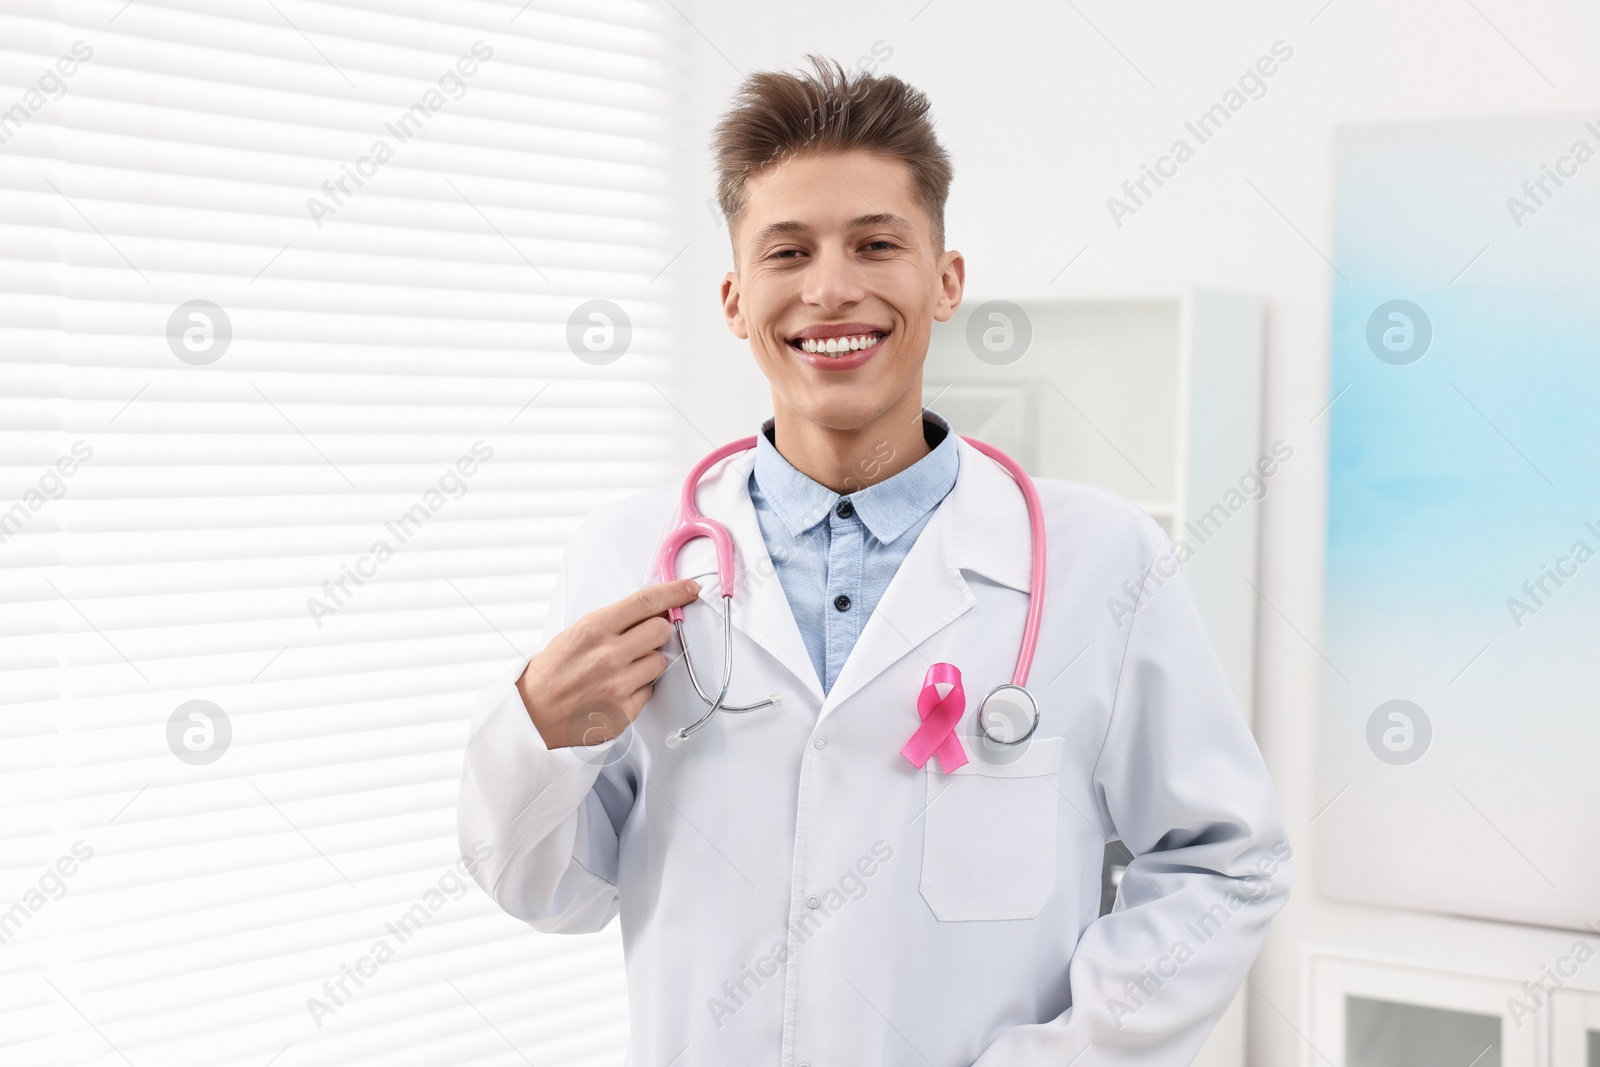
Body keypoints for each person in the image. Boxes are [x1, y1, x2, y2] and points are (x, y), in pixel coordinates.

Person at [458, 54, 1290, 1067]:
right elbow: (553, 889)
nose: (831, 287)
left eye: (876, 243)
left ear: (945, 281)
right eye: (787, 252)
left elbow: (1221, 861)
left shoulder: (1103, 559)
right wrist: (537, 733)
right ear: (733, 298)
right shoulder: (628, 557)